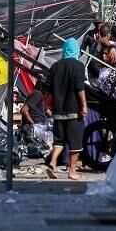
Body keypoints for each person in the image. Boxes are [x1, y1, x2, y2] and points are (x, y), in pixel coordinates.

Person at [46, 38, 88, 180]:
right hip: (73, 111)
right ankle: (72, 171)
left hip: (58, 111)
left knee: (59, 141)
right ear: (76, 50)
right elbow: (79, 88)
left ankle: (52, 162)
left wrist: (48, 106)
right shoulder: (78, 66)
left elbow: (49, 89)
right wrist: (83, 105)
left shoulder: (55, 66)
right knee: (75, 143)